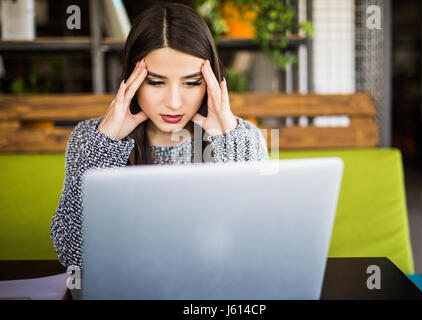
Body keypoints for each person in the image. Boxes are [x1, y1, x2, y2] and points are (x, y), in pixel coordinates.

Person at [50, 2, 269, 269]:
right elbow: (73, 254)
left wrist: (229, 141)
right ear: (132, 78)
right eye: (155, 82)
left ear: (210, 81)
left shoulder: (243, 137)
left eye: (191, 83)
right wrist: (104, 144)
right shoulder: (89, 138)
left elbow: (257, 246)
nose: (174, 103)